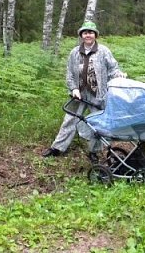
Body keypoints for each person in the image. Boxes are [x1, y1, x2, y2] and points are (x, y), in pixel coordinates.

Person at [42, 21, 126, 163]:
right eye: (85, 32)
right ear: (81, 35)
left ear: (95, 35)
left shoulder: (103, 51)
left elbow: (113, 68)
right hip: (79, 94)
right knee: (70, 119)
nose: (88, 35)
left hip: (98, 95)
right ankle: (57, 148)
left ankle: (94, 151)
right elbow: (69, 73)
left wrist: (119, 74)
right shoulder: (74, 52)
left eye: (91, 32)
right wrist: (74, 88)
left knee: (97, 124)